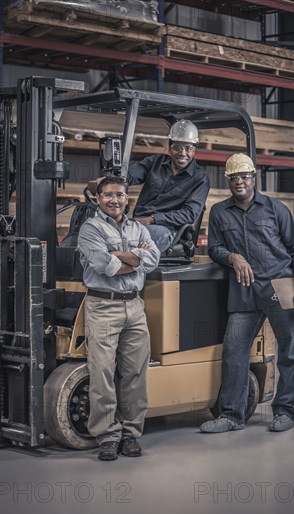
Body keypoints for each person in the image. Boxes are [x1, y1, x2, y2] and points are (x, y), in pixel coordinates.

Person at [200, 153, 294, 434]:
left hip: (280, 286)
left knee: (289, 353)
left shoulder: (275, 209)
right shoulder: (219, 212)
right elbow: (213, 248)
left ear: (254, 178)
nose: (239, 182)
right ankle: (232, 415)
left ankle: (284, 411)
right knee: (235, 351)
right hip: (244, 290)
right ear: (228, 181)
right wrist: (233, 257)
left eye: (244, 177)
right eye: (234, 178)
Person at [77, 176, 160, 461]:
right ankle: (108, 436)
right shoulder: (90, 228)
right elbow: (105, 265)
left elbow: (154, 259)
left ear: (127, 199)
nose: (115, 200)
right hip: (103, 306)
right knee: (101, 374)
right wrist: (136, 259)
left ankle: (131, 434)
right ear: (98, 198)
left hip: (135, 307)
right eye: (108, 195)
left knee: (135, 374)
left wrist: (125, 258)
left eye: (120, 195)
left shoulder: (139, 227)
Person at [127, 119, 210, 253]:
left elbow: (189, 214)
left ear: (194, 151)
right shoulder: (155, 162)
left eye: (188, 148)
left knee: (131, 236)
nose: (182, 153)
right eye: (177, 147)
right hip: (138, 222)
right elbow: (131, 175)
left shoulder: (200, 179)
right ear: (170, 148)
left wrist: (152, 220)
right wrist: (113, 180)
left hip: (167, 230)